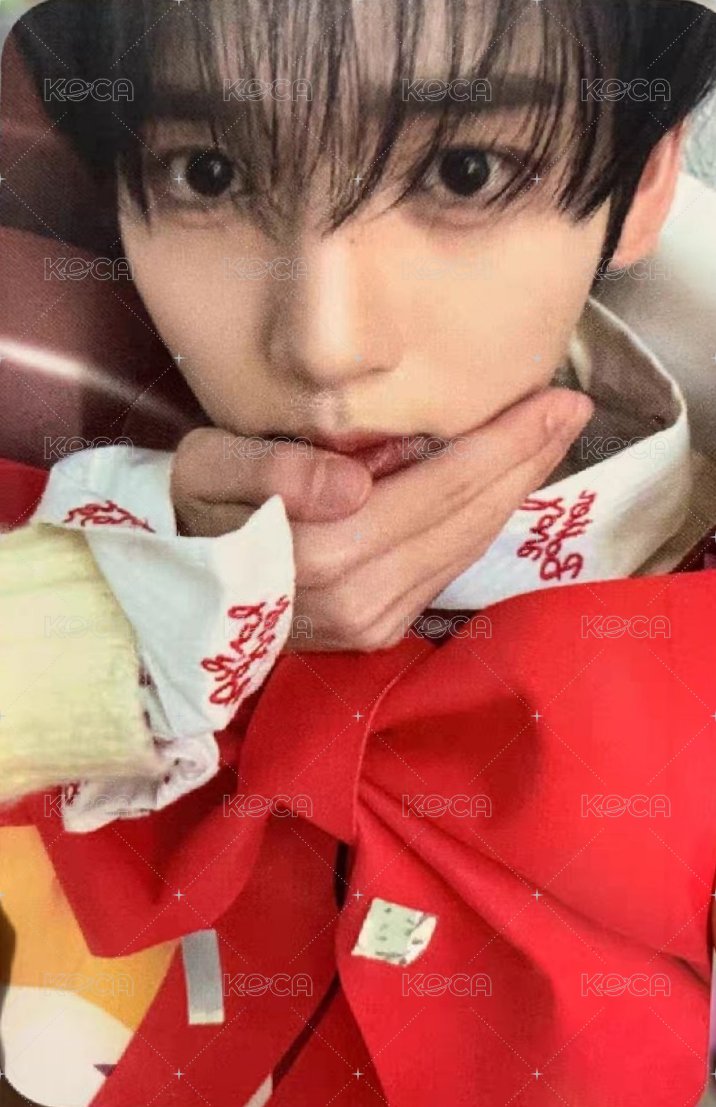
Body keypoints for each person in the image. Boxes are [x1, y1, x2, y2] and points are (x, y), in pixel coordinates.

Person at [2, 0, 716, 1104]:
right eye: (208, 174)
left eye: (466, 172)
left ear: (649, 179)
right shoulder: (34, 473)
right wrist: (107, 626)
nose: (323, 345)